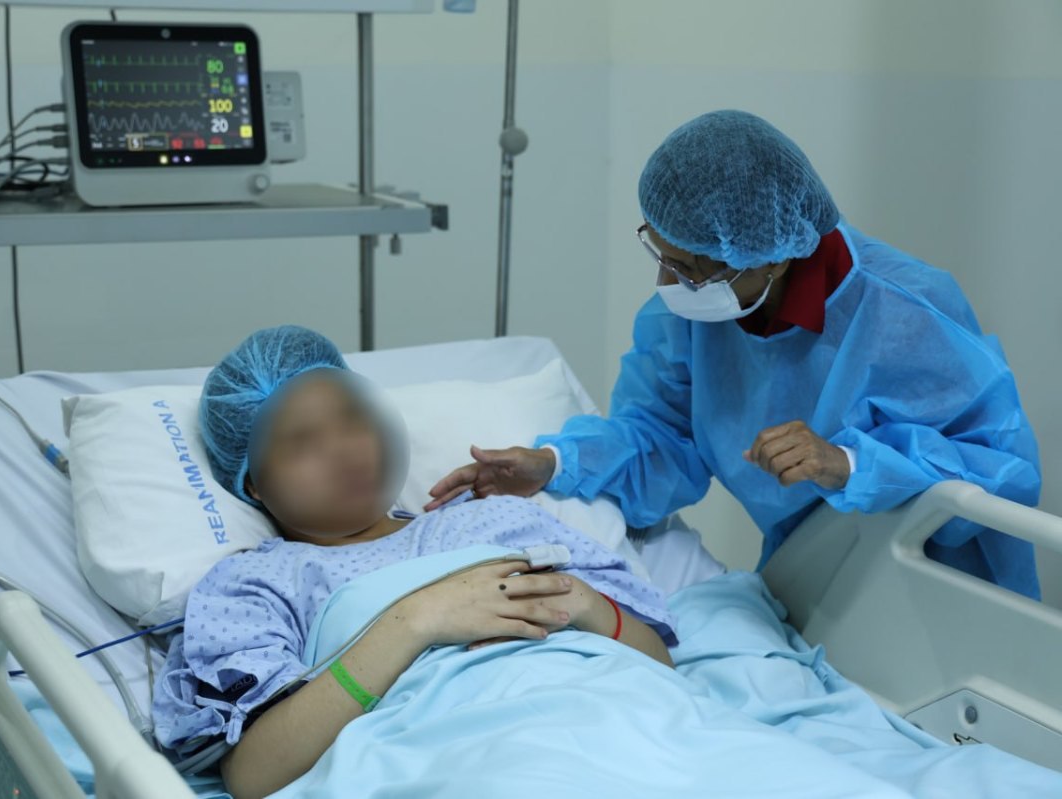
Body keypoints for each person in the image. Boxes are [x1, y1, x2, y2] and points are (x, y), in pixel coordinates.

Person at [427, 110, 1041, 599]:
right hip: (816, 581)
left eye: (690, 268)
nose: (667, 285)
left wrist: (849, 464)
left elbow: (999, 475)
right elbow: (661, 439)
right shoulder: (691, 319)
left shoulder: (902, 311)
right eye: (660, 255)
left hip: (946, 588)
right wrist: (555, 463)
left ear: (771, 256)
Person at [151, 326, 676, 798]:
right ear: (254, 483)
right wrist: (414, 622)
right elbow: (254, 775)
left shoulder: (496, 518)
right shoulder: (255, 583)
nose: (344, 450)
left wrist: (585, 603)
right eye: (302, 441)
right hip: (472, 760)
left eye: (353, 420)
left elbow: (661, 669)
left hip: (629, 729)